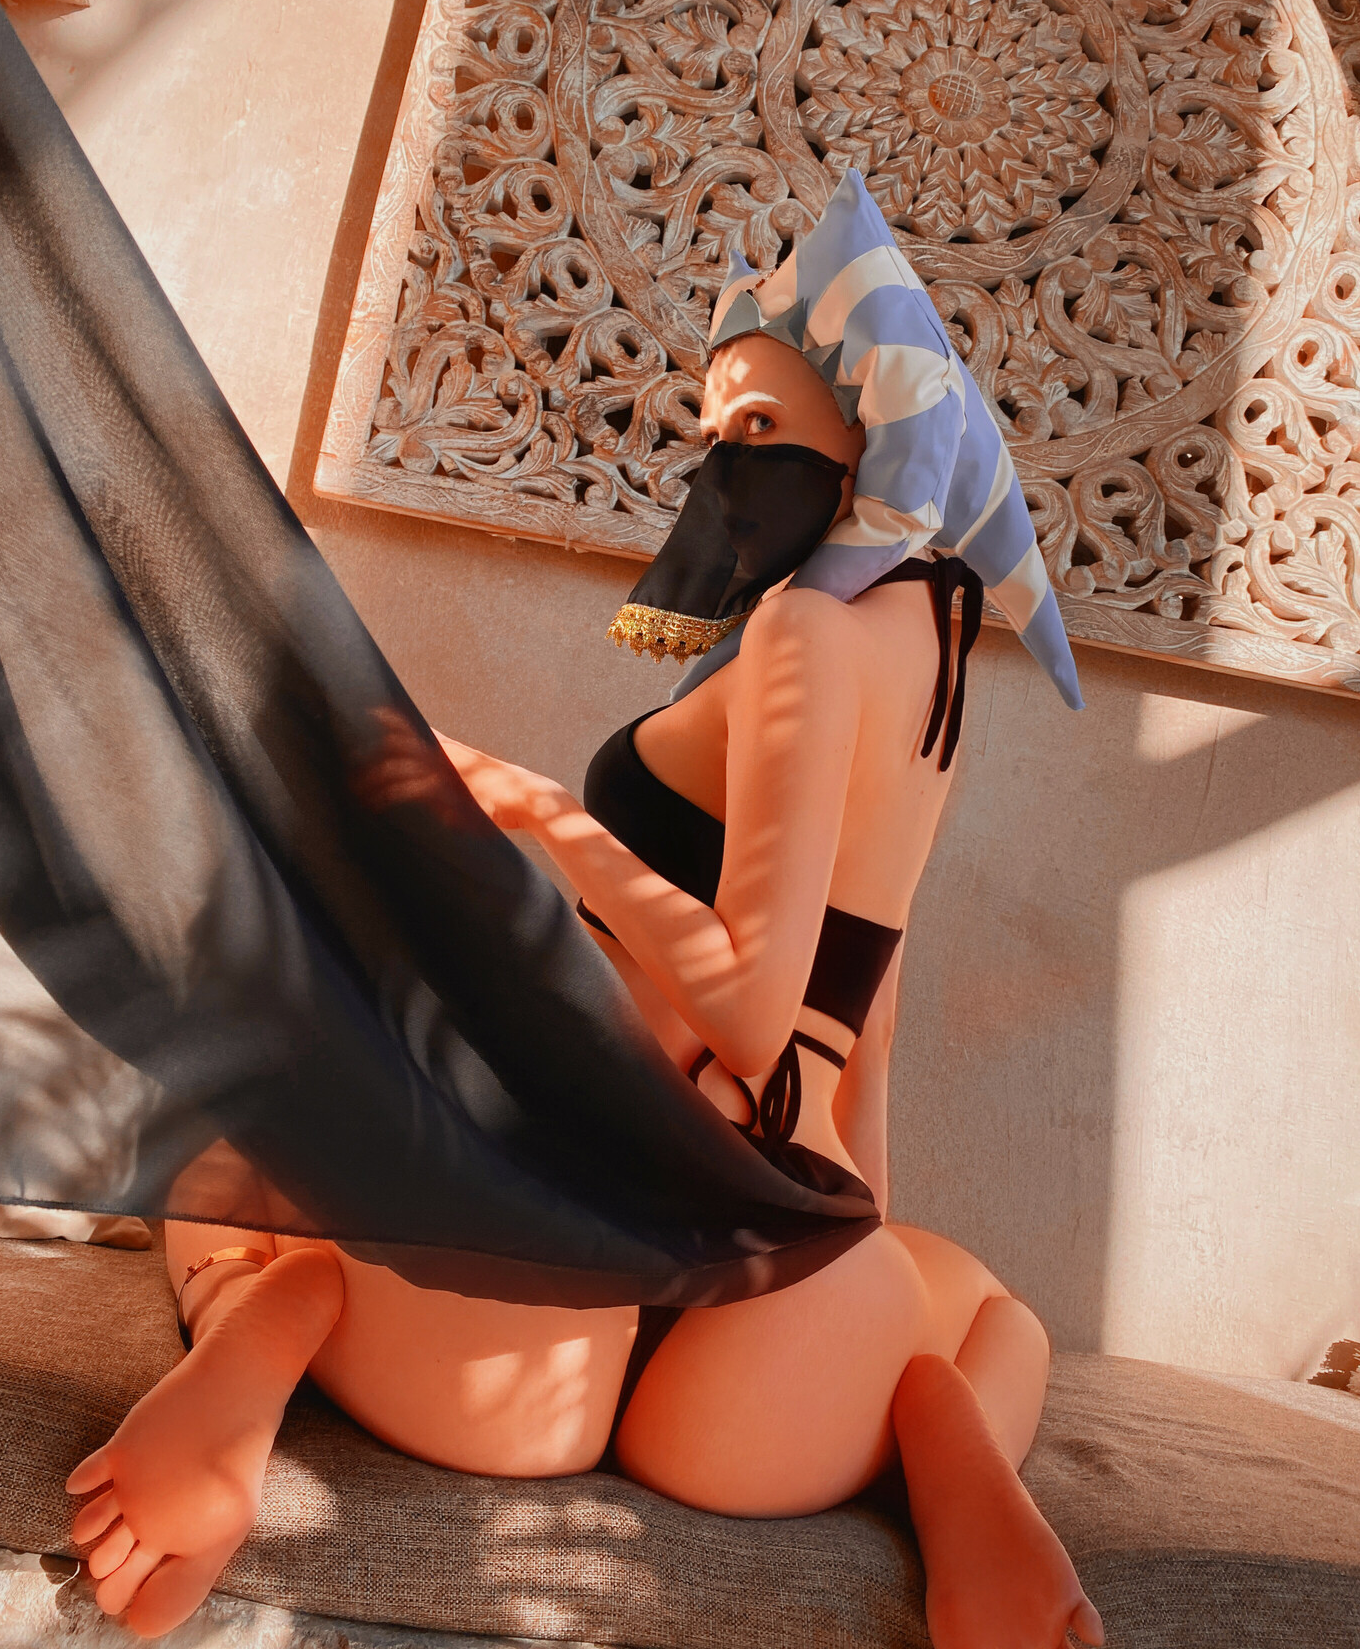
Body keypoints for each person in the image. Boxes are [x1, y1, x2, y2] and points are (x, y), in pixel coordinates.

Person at [65, 174, 1101, 1649]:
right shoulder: (933, 658)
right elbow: (859, 996)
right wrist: (853, 1231)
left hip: (567, 1211)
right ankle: (947, 1436)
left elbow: (751, 1002)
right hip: (769, 1353)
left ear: (871, 431)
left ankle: (273, 1318)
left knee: (224, 1129)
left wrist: (530, 805)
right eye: (709, 434)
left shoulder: (804, 629)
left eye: (757, 427)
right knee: (1001, 1320)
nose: (720, 467)